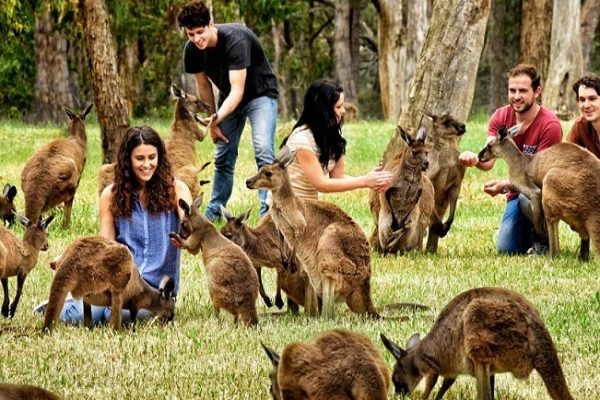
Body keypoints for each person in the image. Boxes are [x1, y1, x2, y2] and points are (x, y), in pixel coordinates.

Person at [35, 126, 192, 324]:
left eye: (152, 157)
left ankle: (78, 305)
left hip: (154, 291)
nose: (147, 164)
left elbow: (190, 221)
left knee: (115, 316)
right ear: (128, 160)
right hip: (117, 282)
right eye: (140, 159)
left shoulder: (177, 189)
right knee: (83, 315)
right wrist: (67, 257)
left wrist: (187, 235)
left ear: (160, 158)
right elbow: (104, 244)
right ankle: (65, 305)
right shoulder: (111, 195)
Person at [177, 0, 278, 221]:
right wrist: (212, 122)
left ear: (211, 23)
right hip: (229, 99)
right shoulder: (192, 50)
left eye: (200, 32)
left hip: (260, 94)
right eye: (191, 34)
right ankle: (214, 211)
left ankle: (267, 213)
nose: (197, 39)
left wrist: (218, 116)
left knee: (263, 149)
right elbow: (203, 86)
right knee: (223, 154)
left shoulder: (235, 40)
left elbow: (238, 90)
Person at [459, 64, 563, 255]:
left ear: (537, 91)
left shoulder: (550, 125)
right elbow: (488, 160)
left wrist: (505, 185)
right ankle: (530, 235)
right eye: (512, 90)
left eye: (523, 91)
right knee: (507, 248)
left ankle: (544, 240)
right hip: (517, 194)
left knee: (528, 198)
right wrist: (474, 159)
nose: (516, 96)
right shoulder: (501, 117)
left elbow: (543, 180)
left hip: (541, 192)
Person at [282, 79, 392, 200]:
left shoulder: (332, 133)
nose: (343, 111)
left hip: (309, 207)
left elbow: (338, 177)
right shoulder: (302, 140)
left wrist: (369, 179)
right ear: (323, 110)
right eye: (338, 107)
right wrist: (364, 181)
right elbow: (321, 184)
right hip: (287, 206)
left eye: (343, 106)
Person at [566, 74, 600, 158]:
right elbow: (567, 157)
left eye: (592, 99)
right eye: (582, 100)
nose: (586, 105)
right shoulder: (580, 125)